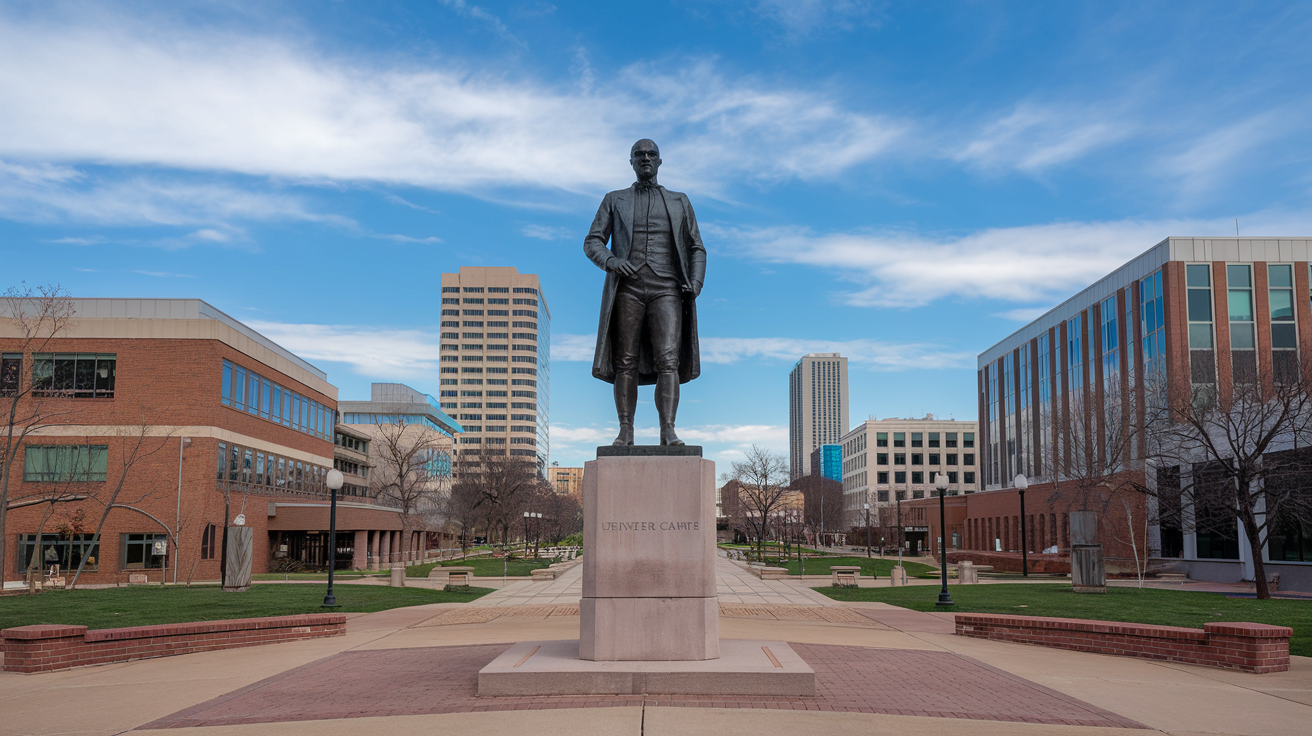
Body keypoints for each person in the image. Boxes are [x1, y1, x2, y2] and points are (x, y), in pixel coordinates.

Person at [584, 139, 706, 446]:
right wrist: (611, 261)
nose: (646, 158)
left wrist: (696, 282)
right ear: (632, 162)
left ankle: (668, 429)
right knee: (626, 361)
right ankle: (626, 429)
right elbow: (592, 241)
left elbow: (696, 247)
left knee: (669, 360)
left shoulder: (680, 201)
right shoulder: (615, 199)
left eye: (651, 154)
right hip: (628, 288)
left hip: (667, 287)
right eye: (640, 155)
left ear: (660, 162)